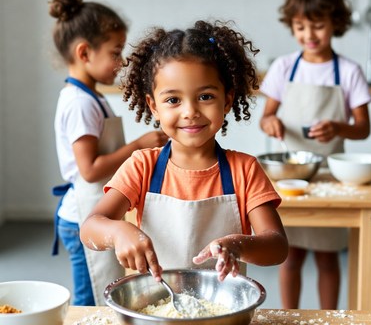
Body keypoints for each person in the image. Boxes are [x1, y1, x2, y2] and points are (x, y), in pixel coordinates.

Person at [80, 20, 288, 283]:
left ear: (227, 100)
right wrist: (118, 231)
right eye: (173, 100)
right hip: (156, 309)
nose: (190, 111)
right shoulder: (142, 166)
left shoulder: (244, 170)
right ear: (153, 106)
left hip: (221, 314)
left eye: (205, 97)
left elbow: (277, 246)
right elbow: (90, 228)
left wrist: (239, 245)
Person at [49, 0, 168, 306]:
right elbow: (89, 170)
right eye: (115, 52)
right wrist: (138, 146)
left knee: (106, 290)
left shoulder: (92, 97)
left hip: (91, 208)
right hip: (81, 215)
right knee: (90, 299)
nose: (122, 60)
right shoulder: (80, 104)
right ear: (85, 53)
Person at [259, 0, 371, 309]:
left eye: (317, 25)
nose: (309, 35)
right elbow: (266, 116)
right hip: (287, 180)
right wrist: (271, 121)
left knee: (326, 260)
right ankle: (291, 316)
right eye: (300, 26)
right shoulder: (283, 68)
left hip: (327, 179)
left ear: (335, 22)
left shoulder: (348, 72)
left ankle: (329, 318)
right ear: (291, 25)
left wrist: (339, 127)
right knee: (290, 257)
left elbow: (363, 127)